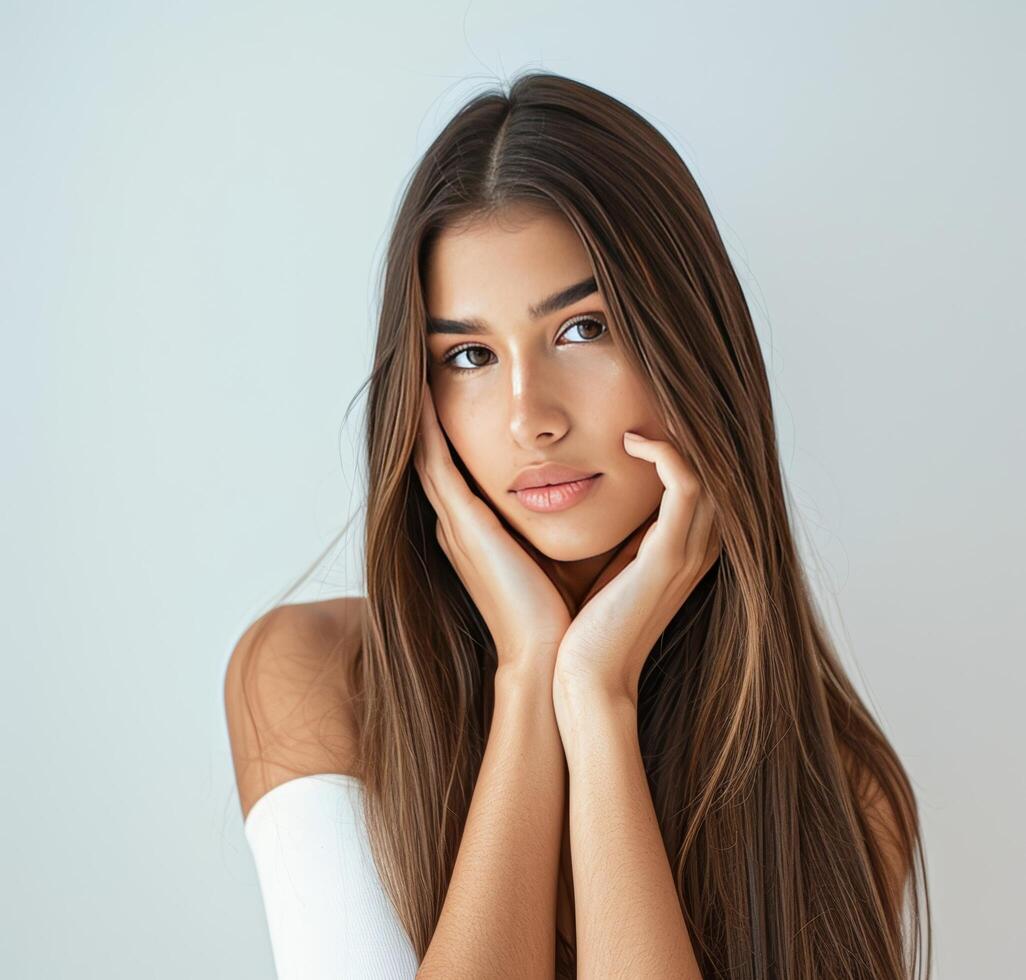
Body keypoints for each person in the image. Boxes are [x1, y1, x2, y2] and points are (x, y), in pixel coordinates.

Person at [224, 70, 931, 979]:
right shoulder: (315, 679)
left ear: (691, 349)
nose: (530, 417)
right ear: (421, 399)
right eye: (470, 356)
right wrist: (527, 678)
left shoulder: (840, 792)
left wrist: (598, 701)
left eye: (582, 330)